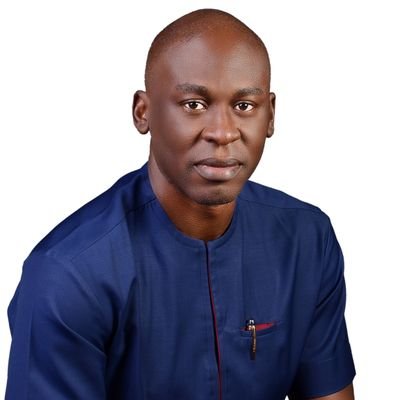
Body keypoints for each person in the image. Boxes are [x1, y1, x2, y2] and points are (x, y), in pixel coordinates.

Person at [5, 8, 356, 400]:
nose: (223, 133)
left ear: (270, 115)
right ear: (143, 112)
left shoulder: (307, 241)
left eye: (244, 106)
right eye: (194, 104)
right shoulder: (68, 274)